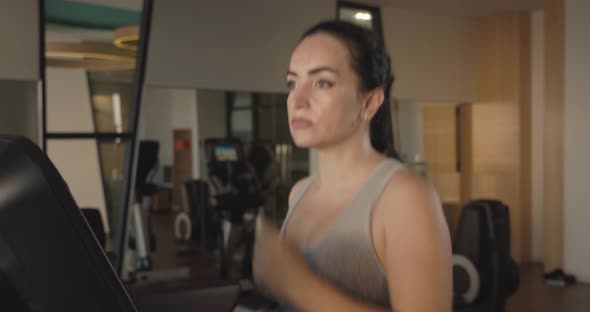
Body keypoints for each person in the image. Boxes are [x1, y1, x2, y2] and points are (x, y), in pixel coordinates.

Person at [253, 20, 452, 311]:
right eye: (292, 83)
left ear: (370, 102)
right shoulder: (300, 193)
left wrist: (297, 284)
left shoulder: (404, 197)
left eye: (322, 82)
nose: (298, 100)